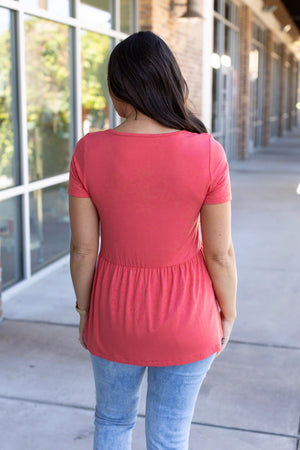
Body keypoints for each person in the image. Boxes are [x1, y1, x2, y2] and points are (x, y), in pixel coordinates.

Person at [68, 31, 237, 450]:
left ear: (118, 88)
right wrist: (227, 312)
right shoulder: (207, 152)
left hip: (114, 312)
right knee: (169, 437)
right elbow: (220, 253)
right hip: (189, 315)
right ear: (168, 82)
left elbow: (83, 249)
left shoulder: (89, 151)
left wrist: (86, 309)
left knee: (111, 421)